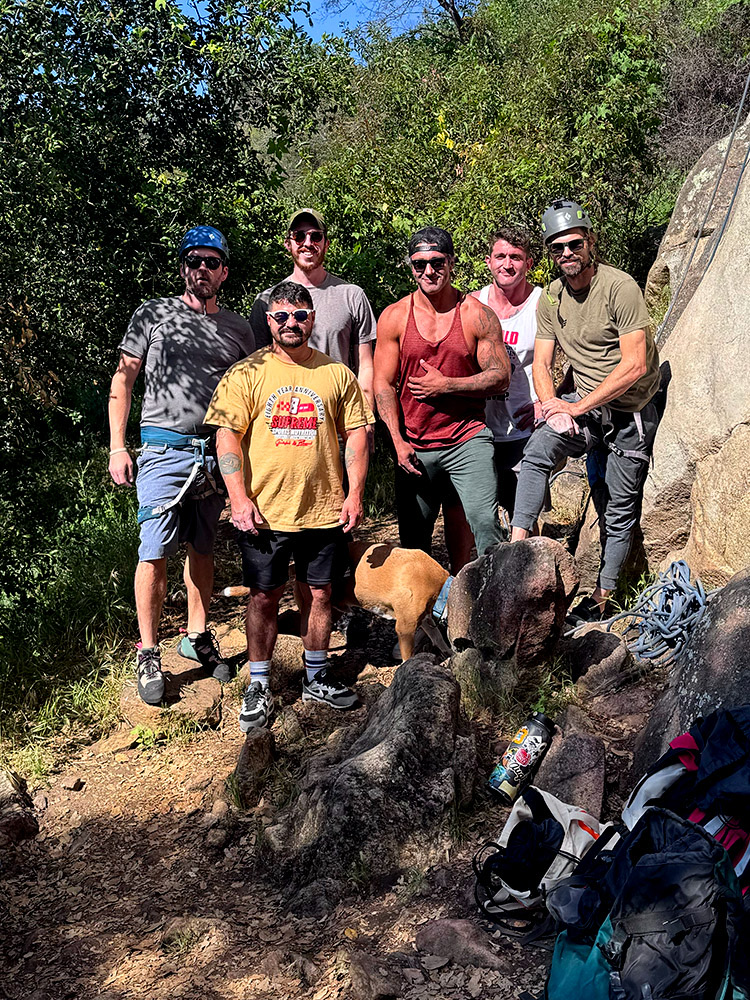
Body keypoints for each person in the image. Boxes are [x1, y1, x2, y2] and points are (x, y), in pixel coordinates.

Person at [206, 280, 373, 731]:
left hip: (324, 508)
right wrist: (237, 499)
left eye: (299, 315)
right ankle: (258, 683)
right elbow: (227, 437)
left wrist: (355, 493)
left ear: (312, 319)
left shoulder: (336, 374)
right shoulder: (247, 373)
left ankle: (316, 675)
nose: (291, 324)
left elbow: (357, 433)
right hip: (265, 512)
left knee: (319, 594)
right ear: (269, 321)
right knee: (263, 596)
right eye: (281, 316)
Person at [108, 226, 255, 705]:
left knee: (204, 546)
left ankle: (195, 635)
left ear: (224, 271)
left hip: (215, 454)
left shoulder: (237, 328)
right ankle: (148, 651)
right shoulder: (153, 313)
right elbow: (124, 380)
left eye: (212, 262)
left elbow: (251, 395)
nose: (202, 270)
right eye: (194, 261)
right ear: (182, 267)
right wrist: (117, 446)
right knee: (153, 550)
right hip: (161, 450)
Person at [510, 199, 661, 621]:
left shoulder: (619, 288)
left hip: (630, 408)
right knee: (538, 450)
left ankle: (604, 597)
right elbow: (540, 364)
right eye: (557, 248)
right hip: (586, 405)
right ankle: (517, 551)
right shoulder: (552, 297)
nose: (567, 255)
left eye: (574, 244)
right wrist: (552, 407)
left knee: (618, 506)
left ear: (590, 241)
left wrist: (575, 409)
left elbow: (635, 365)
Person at [373, 226, 511, 573]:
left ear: (451, 262)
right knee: (413, 545)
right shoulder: (394, 316)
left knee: (485, 526)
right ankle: (425, 621)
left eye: (436, 262)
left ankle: (493, 610)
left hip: (467, 439)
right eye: (419, 264)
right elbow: (383, 385)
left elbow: (500, 375)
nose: (428, 271)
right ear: (411, 266)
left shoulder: (476, 314)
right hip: (415, 444)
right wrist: (397, 441)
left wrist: (447, 385)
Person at [250, 208, 377, 427]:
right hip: (284, 425)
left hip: (339, 423)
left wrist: (366, 421)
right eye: (299, 236)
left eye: (316, 236)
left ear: (326, 244)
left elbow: (365, 365)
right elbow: (257, 368)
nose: (308, 243)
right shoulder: (266, 301)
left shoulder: (351, 295)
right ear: (287, 244)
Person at [471, 225, 542, 521]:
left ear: (529, 263)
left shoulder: (543, 304)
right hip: (480, 428)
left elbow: (575, 356)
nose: (507, 264)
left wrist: (549, 402)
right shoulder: (473, 303)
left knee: (524, 519)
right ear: (488, 262)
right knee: (482, 517)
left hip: (524, 428)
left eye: (515, 257)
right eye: (500, 256)